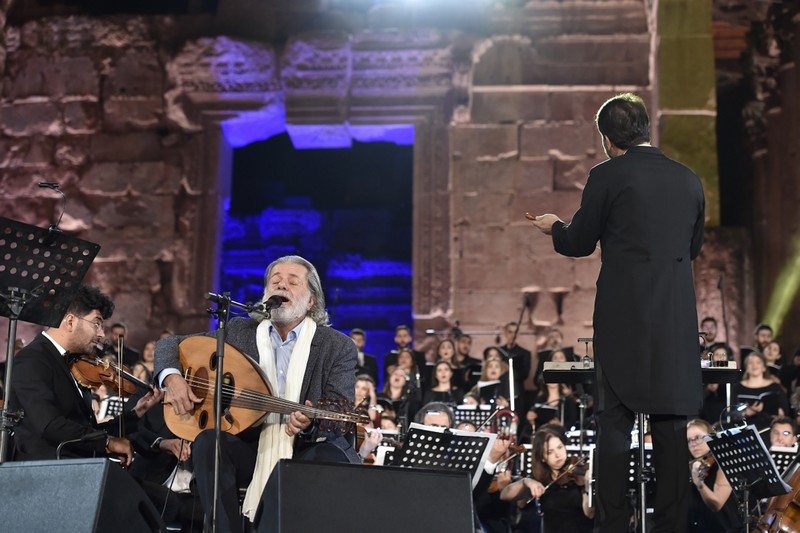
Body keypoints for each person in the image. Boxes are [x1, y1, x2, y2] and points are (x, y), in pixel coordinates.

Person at [529, 92, 705, 532]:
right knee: (670, 426)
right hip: (673, 319)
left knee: (614, 422)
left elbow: (579, 241)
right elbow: (693, 248)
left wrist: (554, 226)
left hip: (623, 320)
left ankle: (612, 526)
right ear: (646, 127)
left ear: (608, 138)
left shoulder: (607, 175)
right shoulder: (688, 180)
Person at [154, 255, 359, 532]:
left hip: (305, 447)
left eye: (292, 282)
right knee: (208, 441)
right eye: (275, 281)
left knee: (327, 458)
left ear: (311, 301)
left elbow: (340, 407)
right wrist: (173, 377)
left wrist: (309, 422)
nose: (281, 286)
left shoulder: (338, 346)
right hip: (250, 445)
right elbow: (170, 344)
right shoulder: (240, 331)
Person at [9, 285, 161, 463]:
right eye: (97, 324)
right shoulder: (32, 359)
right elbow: (50, 425)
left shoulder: (75, 363)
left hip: (81, 467)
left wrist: (137, 412)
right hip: (50, 472)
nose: (102, 334)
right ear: (70, 321)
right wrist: (107, 442)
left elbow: (89, 430)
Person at [501, 425, 594, 532]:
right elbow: (504, 495)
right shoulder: (541, 481)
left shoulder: (579, 475)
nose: (558, 455)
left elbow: (590, 513)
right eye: (550, 452)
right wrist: (526, 482)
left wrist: (588, 487)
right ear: (542, 458)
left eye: (560, 447)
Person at [687, 419, 741, 533]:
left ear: (711, 437)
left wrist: (699, 484)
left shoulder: (724, 463)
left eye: (698, 437)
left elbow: (717, 504)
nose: (694, 443)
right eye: (689, 440)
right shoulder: (691, 467)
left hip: (723, 528)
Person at [734, 351, 789, 431]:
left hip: (770, 428)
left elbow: (784, 411)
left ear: (764, 367)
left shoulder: (775, 387)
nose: (754, 365)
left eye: (758, 362)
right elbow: (730, 411)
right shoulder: (738, 387)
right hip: (744, 429)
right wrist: (745, 413)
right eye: (750, 363)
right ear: (746, 367)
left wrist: (764, 408)